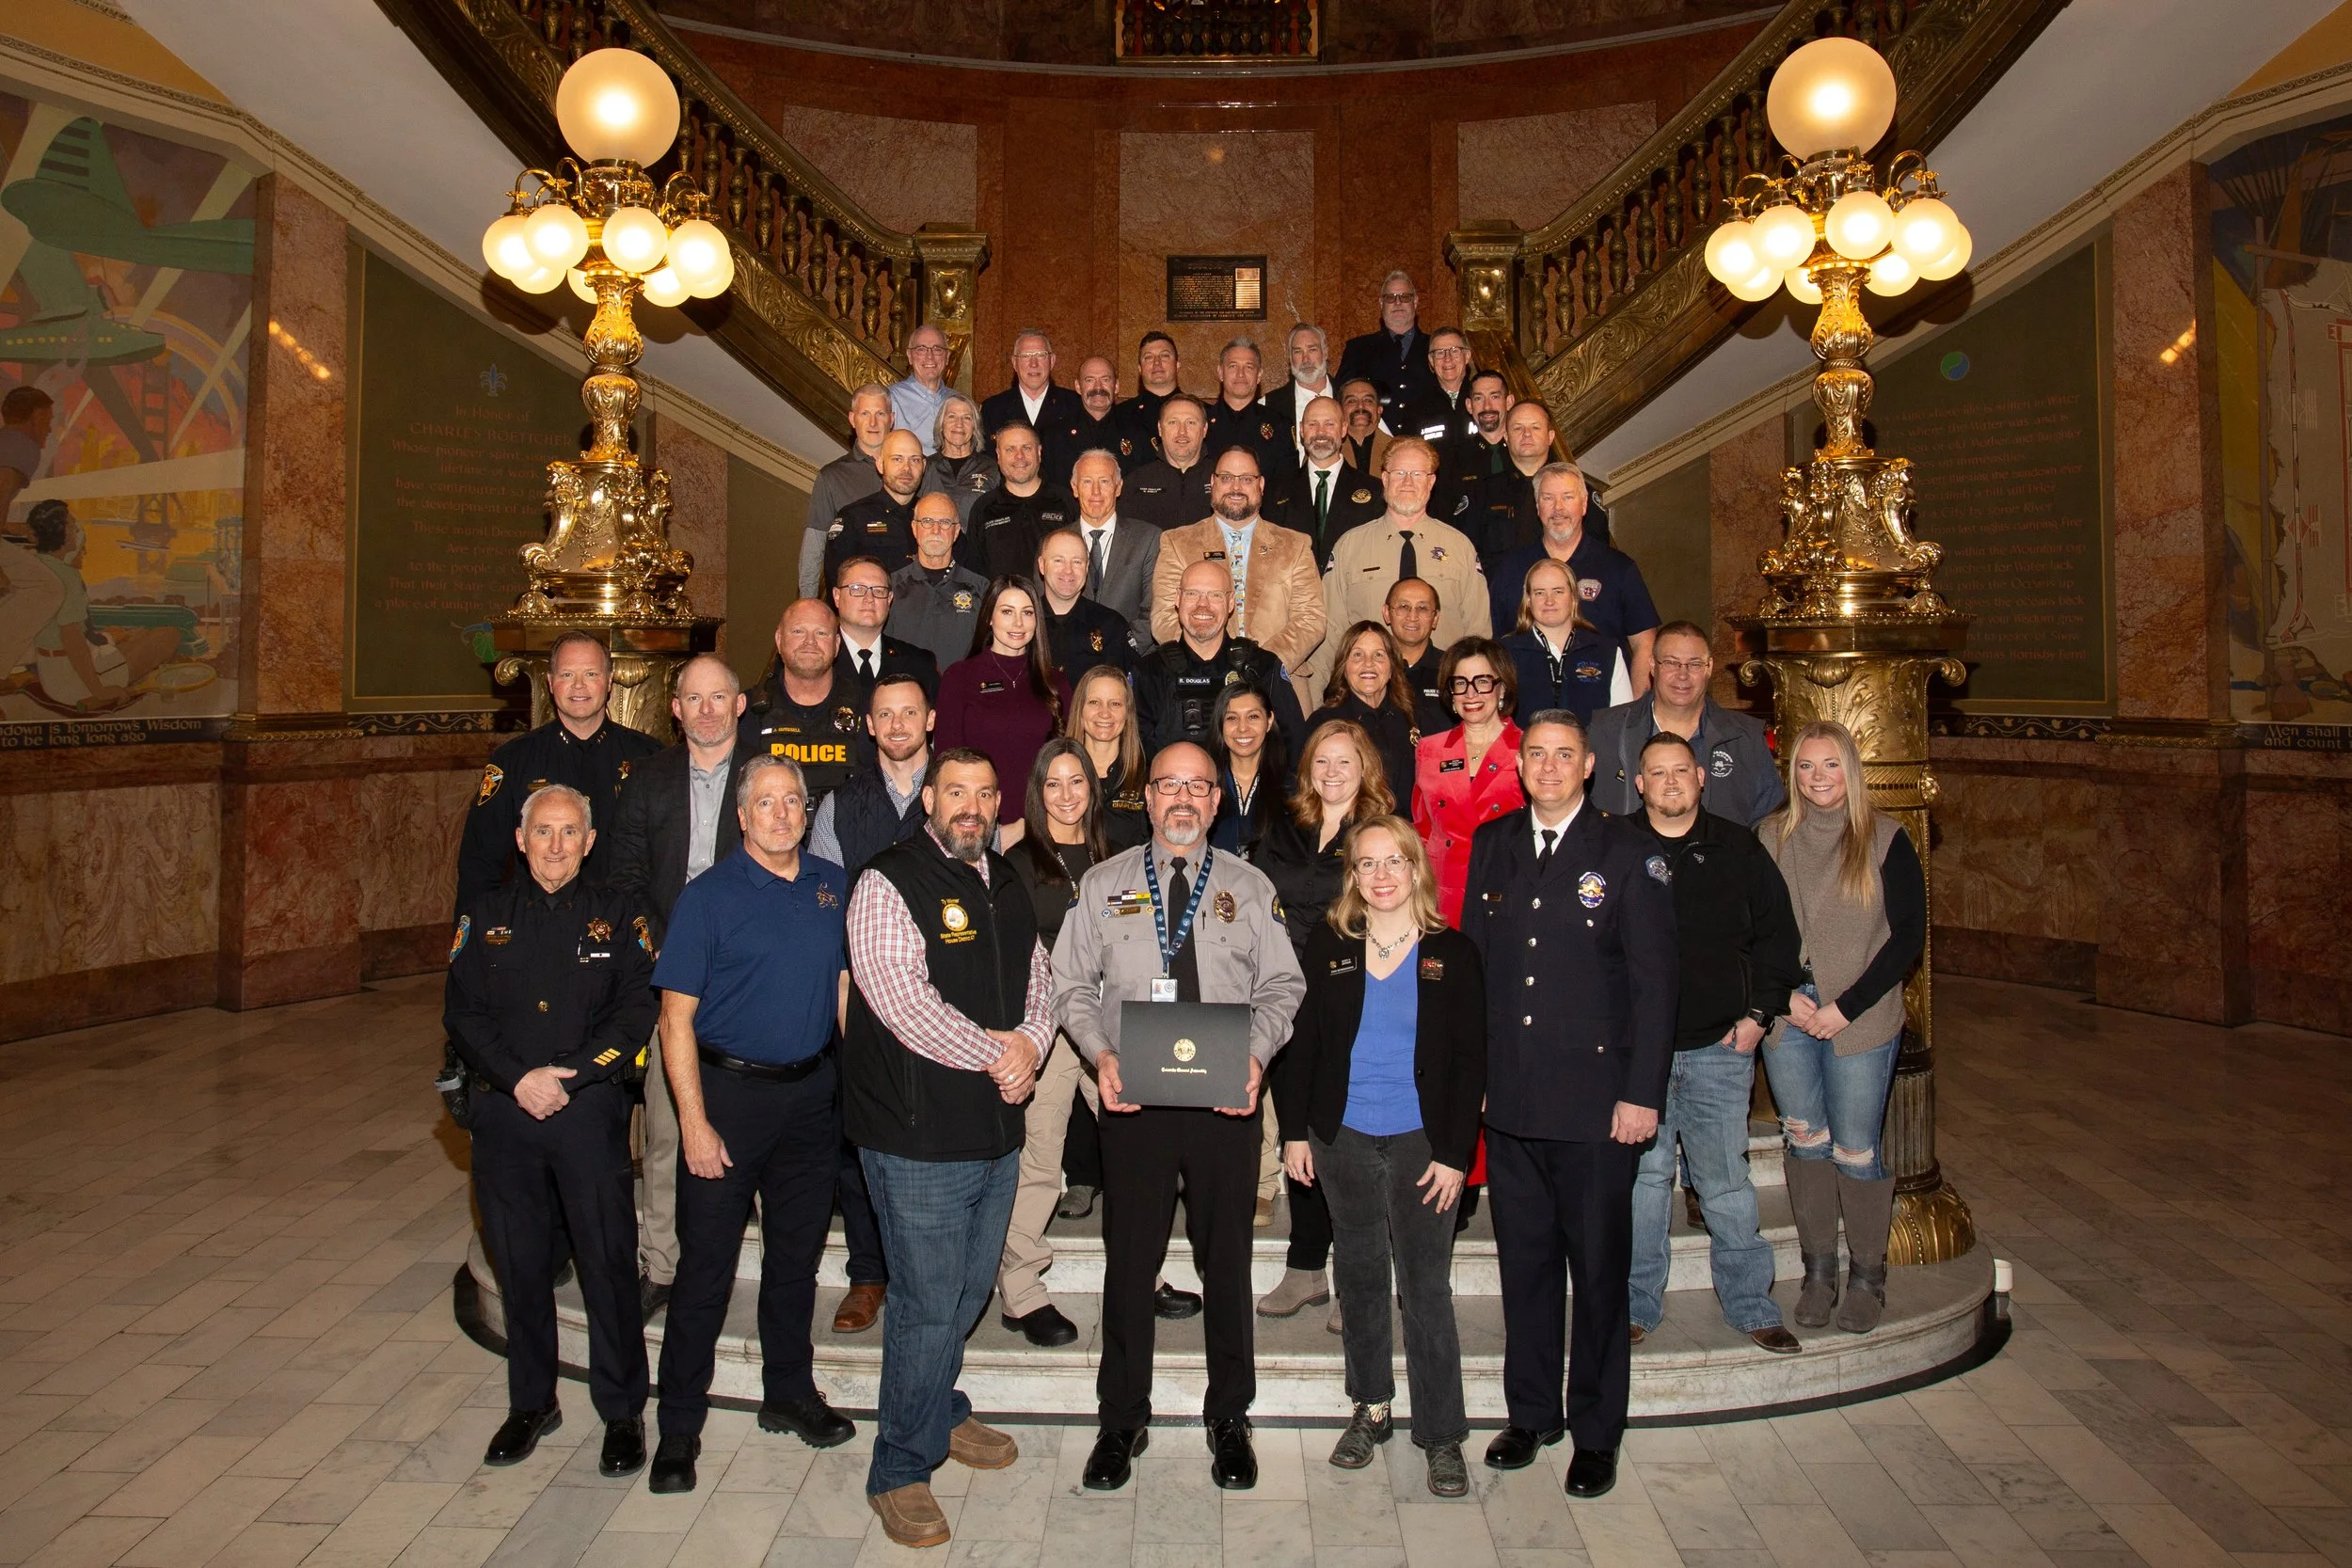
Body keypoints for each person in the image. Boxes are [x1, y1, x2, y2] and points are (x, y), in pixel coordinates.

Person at [1050, 740, 1307, 1494]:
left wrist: (1257, 1058)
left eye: (1199, 784)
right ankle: (1121, 1417)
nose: (1184, 798)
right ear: (1148, 797)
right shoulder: (1102, 885)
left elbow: (1283, 986)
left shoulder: (1250, 887)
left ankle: (1230, 1416)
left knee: (1225, 1266)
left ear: (1217, 799)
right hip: (1134, 1104)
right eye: (1169, 785)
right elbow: (1070, 986)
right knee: (1129, 1267)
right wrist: (1099, 1055)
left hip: (1227, 1102)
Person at [1458, 711, 1675, 1500]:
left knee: (1600, 1274)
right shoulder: (1497, 842)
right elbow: (1478, 972)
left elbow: (1655, 987)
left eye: (1563, 756)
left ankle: (1595, 1430)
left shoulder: (1626, 852)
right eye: (1535, 755)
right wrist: (1471, 1078)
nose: (1547, 768)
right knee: (1526, 1268)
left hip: (1595, 1106)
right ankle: (1531, 1412)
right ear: (1519, 768)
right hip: (1511, 1099)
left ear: (1589, 766)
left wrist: (1641, 1093)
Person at [843, 749, 1048, 1546]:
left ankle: (940, 1408)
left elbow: (1042, 977)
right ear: (929, 798)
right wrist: (1000, 1055)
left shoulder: (1005, 878)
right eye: (956, 791)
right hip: (917, 1131)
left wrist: (1031, 1040)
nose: (972, 805)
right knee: (928, 1304)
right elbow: (899, 998)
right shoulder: (886, 880)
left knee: (965, 1293)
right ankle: (899, 1465)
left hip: (996, 1129)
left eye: (985, 793)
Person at [649, 756, 857, 1493]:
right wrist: (695, 1125)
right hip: (728, 1099)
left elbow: (839, 984)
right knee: (704, 1273)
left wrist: (855, 1085)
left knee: (794, 1264)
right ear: (741, 816)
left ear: (807, 811)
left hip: (809, 1101)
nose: (780, 813)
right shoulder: (705, 898)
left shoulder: (832, 888)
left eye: (792, 801)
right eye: (764, 802)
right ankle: (678, 1427)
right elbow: (675, 1019)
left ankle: (789, 1392)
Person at [446, 784, 656, 1477]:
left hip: (587, 1113)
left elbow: (634, 1014)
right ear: (520, 837)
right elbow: (464, 1014)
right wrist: (518, 1079)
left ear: (590, 842)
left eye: (570, 832)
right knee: (520, 1264)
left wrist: (569, 1074)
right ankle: (531, 1400)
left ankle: (623, 1410)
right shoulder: (485, 914)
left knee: (605, 1263)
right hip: (505, 1116)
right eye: (544, 832)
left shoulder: (620, 915)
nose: (557, 846)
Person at [1276, 816, 1485, 1496]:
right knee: (1361, 1278)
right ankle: (1370, 1406)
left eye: (1394, 860)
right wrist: (1297, 1132)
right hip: (1344, 1138)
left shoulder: (1454, 951)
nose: (1382, 874)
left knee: (1426, 1287)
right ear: (1354, 876)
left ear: (1415, 868)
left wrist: (1456, 1153)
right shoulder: (1329, 944)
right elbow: (1302, 1044)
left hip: (1426, 1144)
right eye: (1368, 863)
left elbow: (1468, 1063)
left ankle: (1443, 1434)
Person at [1627, 732, 1805, 1354]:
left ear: (1701, 777)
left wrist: (1759, 1014)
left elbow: (1779, 939)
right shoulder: (1616, 846)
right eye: (1658, 772)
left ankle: (1751, 1303)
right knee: (1643, 1186)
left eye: (1682, 770)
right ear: (1639, 781)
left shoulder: (1738, 848)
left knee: (1725, 1182)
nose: (1671, 781)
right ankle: (1635, 1306)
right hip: (1638, 1058)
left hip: (1720, 1050)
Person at [1757, 721, 1926, 1337]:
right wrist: (1783, 999)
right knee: (1806, 1139)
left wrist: (1845, 1006)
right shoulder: (1771, 836)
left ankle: (1866, 1277)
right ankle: (1819, 1272)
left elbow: (1908, 935)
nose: (1818, 777)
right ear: (1792, 773)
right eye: (1806, 766)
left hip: (1859, 1016)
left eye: (1830, 765)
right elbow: (1752, 927)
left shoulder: (1885, 838)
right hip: (1790, 1014)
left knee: (1855, 1147)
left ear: (1849, 770)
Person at [603, 655, 753, 1320]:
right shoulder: (648, 781)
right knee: (668, 1126)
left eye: (719, 697)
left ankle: (757, 1260)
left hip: (751, 972)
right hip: (674, 973)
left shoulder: (767, 776)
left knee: (755, 1126)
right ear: (676, 709)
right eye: (695, 699)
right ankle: (662, 1262)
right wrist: (664, 945)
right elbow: (625, 879)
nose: (708, 710)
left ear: (739, 704)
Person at [1252, 719, 1394, 1328]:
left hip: (1354, 998)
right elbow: (1256, 897)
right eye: (1322, 762)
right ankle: (1306, 1266)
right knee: (1300, 1130)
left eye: (1345, 762)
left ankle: (1361, 1273)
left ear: (1365, 768)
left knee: (1349, 1135)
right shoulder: (1283, 825)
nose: (1332, 773)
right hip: (1286, 1000)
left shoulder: (1381, 833)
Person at [993, 739, 1108, 1346]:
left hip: (1112, 1023)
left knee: (1133, 1146)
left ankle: (1138, 1275)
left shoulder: (1114, 852)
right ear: (1037, 794)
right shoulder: (1015, 860)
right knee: (1041, 1156)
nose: (1066, 795)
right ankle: (1021, 1289)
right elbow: (1013, 951)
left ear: (1092, 788)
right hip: (1050, 1025)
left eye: (1077, 782)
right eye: (1053, 784)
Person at [455, 630, 661, 917]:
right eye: (566, 675)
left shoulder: (649, 757)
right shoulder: (512, 761)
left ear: (609, 680)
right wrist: (471, 945)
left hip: (625, 929)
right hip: (536, 925)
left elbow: (666, 857)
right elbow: (479, 863)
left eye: (591, 674)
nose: (579, 686)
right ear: (550, 683)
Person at [1307, 437, 1488, 694]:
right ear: (1384, 479)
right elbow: (1329, 633)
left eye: (1417, 473)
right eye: (1399, 473)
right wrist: (1320, 707)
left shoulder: (1460, 548)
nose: (1407, 482)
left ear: (1431, 481)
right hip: (1369, 695)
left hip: (1442, 696)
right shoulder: (1351, 546)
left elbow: (1478, 633)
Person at [1149, 449, 1327, 680]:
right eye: (1226, 478)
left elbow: (1311, 619)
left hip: (1279, 680)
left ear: (1261, 484)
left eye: (1245, 479)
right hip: (1201, 680)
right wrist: (1213, 663)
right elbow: (1165, 618)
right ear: (1212, 483)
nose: (1235, 487)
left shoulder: (1295, 545)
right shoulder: (1177, 543)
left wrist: (1261, 664)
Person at [1485, 462, 1659, 694]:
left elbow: (1644, 644)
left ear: (1584, 504)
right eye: (1548, 498)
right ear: (1537, 506)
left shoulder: (1618, 568)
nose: (1558, 508)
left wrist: (1632, 715)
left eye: (1568, 497)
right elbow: (1494, 644)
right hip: (1527, 709)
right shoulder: (1510, 568)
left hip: (1602, 709)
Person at [1588, 621, 1784, 826]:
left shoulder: (1745, 738)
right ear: (1653, 666)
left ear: (1709, 668)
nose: (1683, 674)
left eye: (1695, 664)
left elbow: (1772, 823)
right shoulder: (1607, 730)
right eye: (1672, 663)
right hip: (1625, 856)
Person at [20, 500, 180, 711]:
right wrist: (99, 690)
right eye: (73, 525)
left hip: (50, 673)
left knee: (136, 637)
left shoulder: (33, 566)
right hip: (75, 683)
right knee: (169, 635)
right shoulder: (66, 576)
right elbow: (72, 639)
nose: (77, 530)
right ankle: (117, 692)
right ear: (63, 531)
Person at [1135, 560, 1306, 756]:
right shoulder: (1149, 673)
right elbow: (1136, 755)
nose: (1203, 605)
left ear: (1231, 602)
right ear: (1177, 599)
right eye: (1192, 594)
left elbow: (1294, 748)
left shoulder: (1262, 668)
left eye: (1215, 595)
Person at [1412, 638, 1522, 925]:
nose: (1471, 694)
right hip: (1442, 897)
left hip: (1508, 891)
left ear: (1502, 688)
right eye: (1460, 683)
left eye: (1482, 681)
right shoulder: (1429, 750)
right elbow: (1422, 831)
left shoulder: (1528, 750)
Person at [935, 576, 1071, 796]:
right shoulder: (959, 677)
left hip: (1043, 815)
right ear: (989, 617)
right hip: (979, 815)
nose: (1018, 623)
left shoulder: (1056, 681)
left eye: (1027, 613)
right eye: (1007, 612)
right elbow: (947, 763)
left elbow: (1068, 763)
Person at [738, 600, 872, 812]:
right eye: (798, 631)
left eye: (821, 633)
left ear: (837, 645)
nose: (810, 642)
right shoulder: (746, 711)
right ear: (779, 640)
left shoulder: (867, 708)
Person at [809, 671, 934, 879]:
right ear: (870, 725)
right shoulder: (837, 807)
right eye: (885, 714)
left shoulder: (963, 797)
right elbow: (825, 898)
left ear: (930, 720)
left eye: (909, 712)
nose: (897, 724)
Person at [1502, 558, 1630, 726]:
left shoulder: (1607, 652)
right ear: (1528, 600)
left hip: (1591, 751)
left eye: (1558, 591)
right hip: (1525, 751)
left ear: (1573, 597)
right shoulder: (1504, 653)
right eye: (1539, 592)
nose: (1549, 601)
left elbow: (1622, 722)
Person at [1303, 622, 1420, 806]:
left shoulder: (1413, 718)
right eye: (1357, 655)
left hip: (1407, 830)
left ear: (1392, 668)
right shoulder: (1322, 723)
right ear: (1344, 667)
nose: (1368, 664)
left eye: (1378, 655)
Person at [800, 383, 896, 596]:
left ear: (892, 418)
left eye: (880, 413)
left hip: (904, 599)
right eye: (865, 413)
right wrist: (807, 601)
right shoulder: (832, 477)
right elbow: (815, 546)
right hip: (853, 598)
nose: (873, 422)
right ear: (852, 419)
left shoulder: (913, 470)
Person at [1267, 394, 1384, 568]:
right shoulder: (1275, 492)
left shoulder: (1374, 491)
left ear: (1343, 429)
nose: (1320, 432)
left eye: (1329, 424)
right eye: (1312, 424)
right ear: (1301, 430)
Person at [885, 495, 992, 671]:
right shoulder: (889, 587)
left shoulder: (981, 588)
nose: (935, 530)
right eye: (927, 521)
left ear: (956, 531)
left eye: (944, 522)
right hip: (906, 694)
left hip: (962, 694)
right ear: (914, 528)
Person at [1067, 449, 1160, 649]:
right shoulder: (1054, 544)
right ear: (1074, 488)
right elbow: (1048, 614)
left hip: (1131, 661)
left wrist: (1115, 650)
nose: (1095, 492)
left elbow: (1154, 612)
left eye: (1104, 481)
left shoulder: (1149, 539)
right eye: (1087, 482)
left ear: (1118, 487)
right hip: (1071, 661)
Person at [961, 422, 1075, 581]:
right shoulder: (984, 508)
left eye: (1026, 448)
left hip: (1053, 605)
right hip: (1001, 605)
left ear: (1039, 452)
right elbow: (974, 573)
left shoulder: (1065, 502)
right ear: (998, 456)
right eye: (1010, 449)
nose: (1019, 456)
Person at [1459, 399, 1562, 562]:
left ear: (1550, 437)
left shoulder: (1576, 490)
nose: (1527, 433)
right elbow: (1464, 554)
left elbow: (1594, 554)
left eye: (1535, 427)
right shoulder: (1482, 493)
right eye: (1518, 428)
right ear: (1506, 437)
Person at [823, 429, 929, 590]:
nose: (906, 468)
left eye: (914, 460)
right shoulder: (854, 519)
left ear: (924, 466)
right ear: (880, 464)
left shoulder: (936, 518)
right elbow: (838, 587)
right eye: (897, 459)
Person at [980, 328, 1089, 483]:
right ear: (1014, 363)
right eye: (1026, 356)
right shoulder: (993, 409)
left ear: (1052, 361)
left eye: (1040, 355)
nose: (1033, 363)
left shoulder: (1075, 405)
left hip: (1061, 502)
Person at [1335, 270, 1438, 429]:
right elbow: (1340, 399)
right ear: (1381, 304)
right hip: (1376, 443)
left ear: (1415, 302)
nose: (1398, 303)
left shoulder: (1436, 346)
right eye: (1390, 298)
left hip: (1427, 442)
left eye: (1405, 297)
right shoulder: (1358, 349)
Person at [831, 556, 939, 703]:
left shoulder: (919, 664)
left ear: (889, 599)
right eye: (857, 589)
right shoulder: (816, 660)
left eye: (879, 591)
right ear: (837, 596)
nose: (869, 598)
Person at [1070, 663, 1151, 850]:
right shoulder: (1056, 773)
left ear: (1128, 714)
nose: (1104, 713)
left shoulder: (1148, 778)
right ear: (1079, 710)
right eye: (1094, 702)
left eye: (1115, 704)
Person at [1037, 526, 1136, 677]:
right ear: (1042, 565)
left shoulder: (1112, 625)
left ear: (1087, 567)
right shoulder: (1023, 623)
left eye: (1077, 562)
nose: (1068, 570)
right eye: (1058, 560)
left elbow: (1126, 690)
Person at [1202, 336, 1296, 490]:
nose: (1241, 374)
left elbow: (1286, 484)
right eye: (1233, 366)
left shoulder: (1279, 424)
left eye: (1249, 367)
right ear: (1220, 373)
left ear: (1259, 375)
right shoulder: (1201, 422)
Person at [1207, 682, 1286, 861]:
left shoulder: (1291, 787)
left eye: (1253, 717)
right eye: (1232, 718)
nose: (1243, 728)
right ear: (1220, 724)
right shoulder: (1204, 785)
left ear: (1269, 721)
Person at [1122, 394, 1213, 531]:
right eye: (1173, 422)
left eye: (1191, 423)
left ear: (1204, 430)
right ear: (1160, 429)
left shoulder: (1223, 479)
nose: (1182, 432)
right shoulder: (1135, 483)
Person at [1383, 578, 1451, 736]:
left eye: (1423, 608)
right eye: (1403, 606)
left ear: (1435, 618)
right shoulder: (1371, 670)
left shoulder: (1452, 670)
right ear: (1387, 613)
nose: (1412, 616)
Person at [1395, 327, 1478, 451]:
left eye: (1454, 351)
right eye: (1440, 353)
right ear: (1431, 361)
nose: (1447, 358)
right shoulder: (1417, 409)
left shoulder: (1484, 400)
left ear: (1467, 356)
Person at [1112, 330, 1183, 471]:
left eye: (1164, 356)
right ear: (1139, 369)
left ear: (1177, 365)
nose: (1157, 363)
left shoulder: (1201, 412)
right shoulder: (1119, 416)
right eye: (1148, 358)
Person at [926, 394, 999, 527]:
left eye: (967, 418)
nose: (959, 424)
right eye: (952, 416)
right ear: (941, 425)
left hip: (978, 545)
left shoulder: (992, 467)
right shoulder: (925, 466)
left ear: (975, 427)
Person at [1266, 323, 1337, 451]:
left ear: (1325, 353)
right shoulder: (1268, 406)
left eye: (1312, 349)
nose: (1306, 360)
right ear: (1290, 358)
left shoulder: (1348, 398)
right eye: (1298, 352)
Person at [890, 325, 954, 454]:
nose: (929, 356)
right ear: (909, 356)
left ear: (947, 356)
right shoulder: (891, 399)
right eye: (921, 349)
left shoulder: (960, 402)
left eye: (937, 349)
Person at [1338, 376, 1392, 476]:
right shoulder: (1328, 449)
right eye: (1351, 401)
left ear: (1379, 410)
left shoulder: (1397, 449)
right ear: (1340, 411)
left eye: (1368, 400)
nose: (1360, 406)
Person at [1073, 355, 1122, 456]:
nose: (1098, 387)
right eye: (1090, 380)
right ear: (1078, 386)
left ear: (1116, 386)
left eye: (1105, 380)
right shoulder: (1055, 436)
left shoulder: (1136, 433)